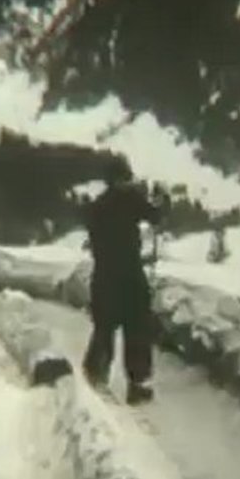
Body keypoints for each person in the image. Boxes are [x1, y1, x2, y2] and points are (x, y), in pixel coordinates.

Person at [81, 155, 161, 405]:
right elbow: (156, 216)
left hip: (104, 275)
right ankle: (138, 385)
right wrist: (160, 200)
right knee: (137, 329)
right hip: (130, 275)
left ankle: (95, 376)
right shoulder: (131, 200)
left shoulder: (98, 206)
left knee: (104, 328)